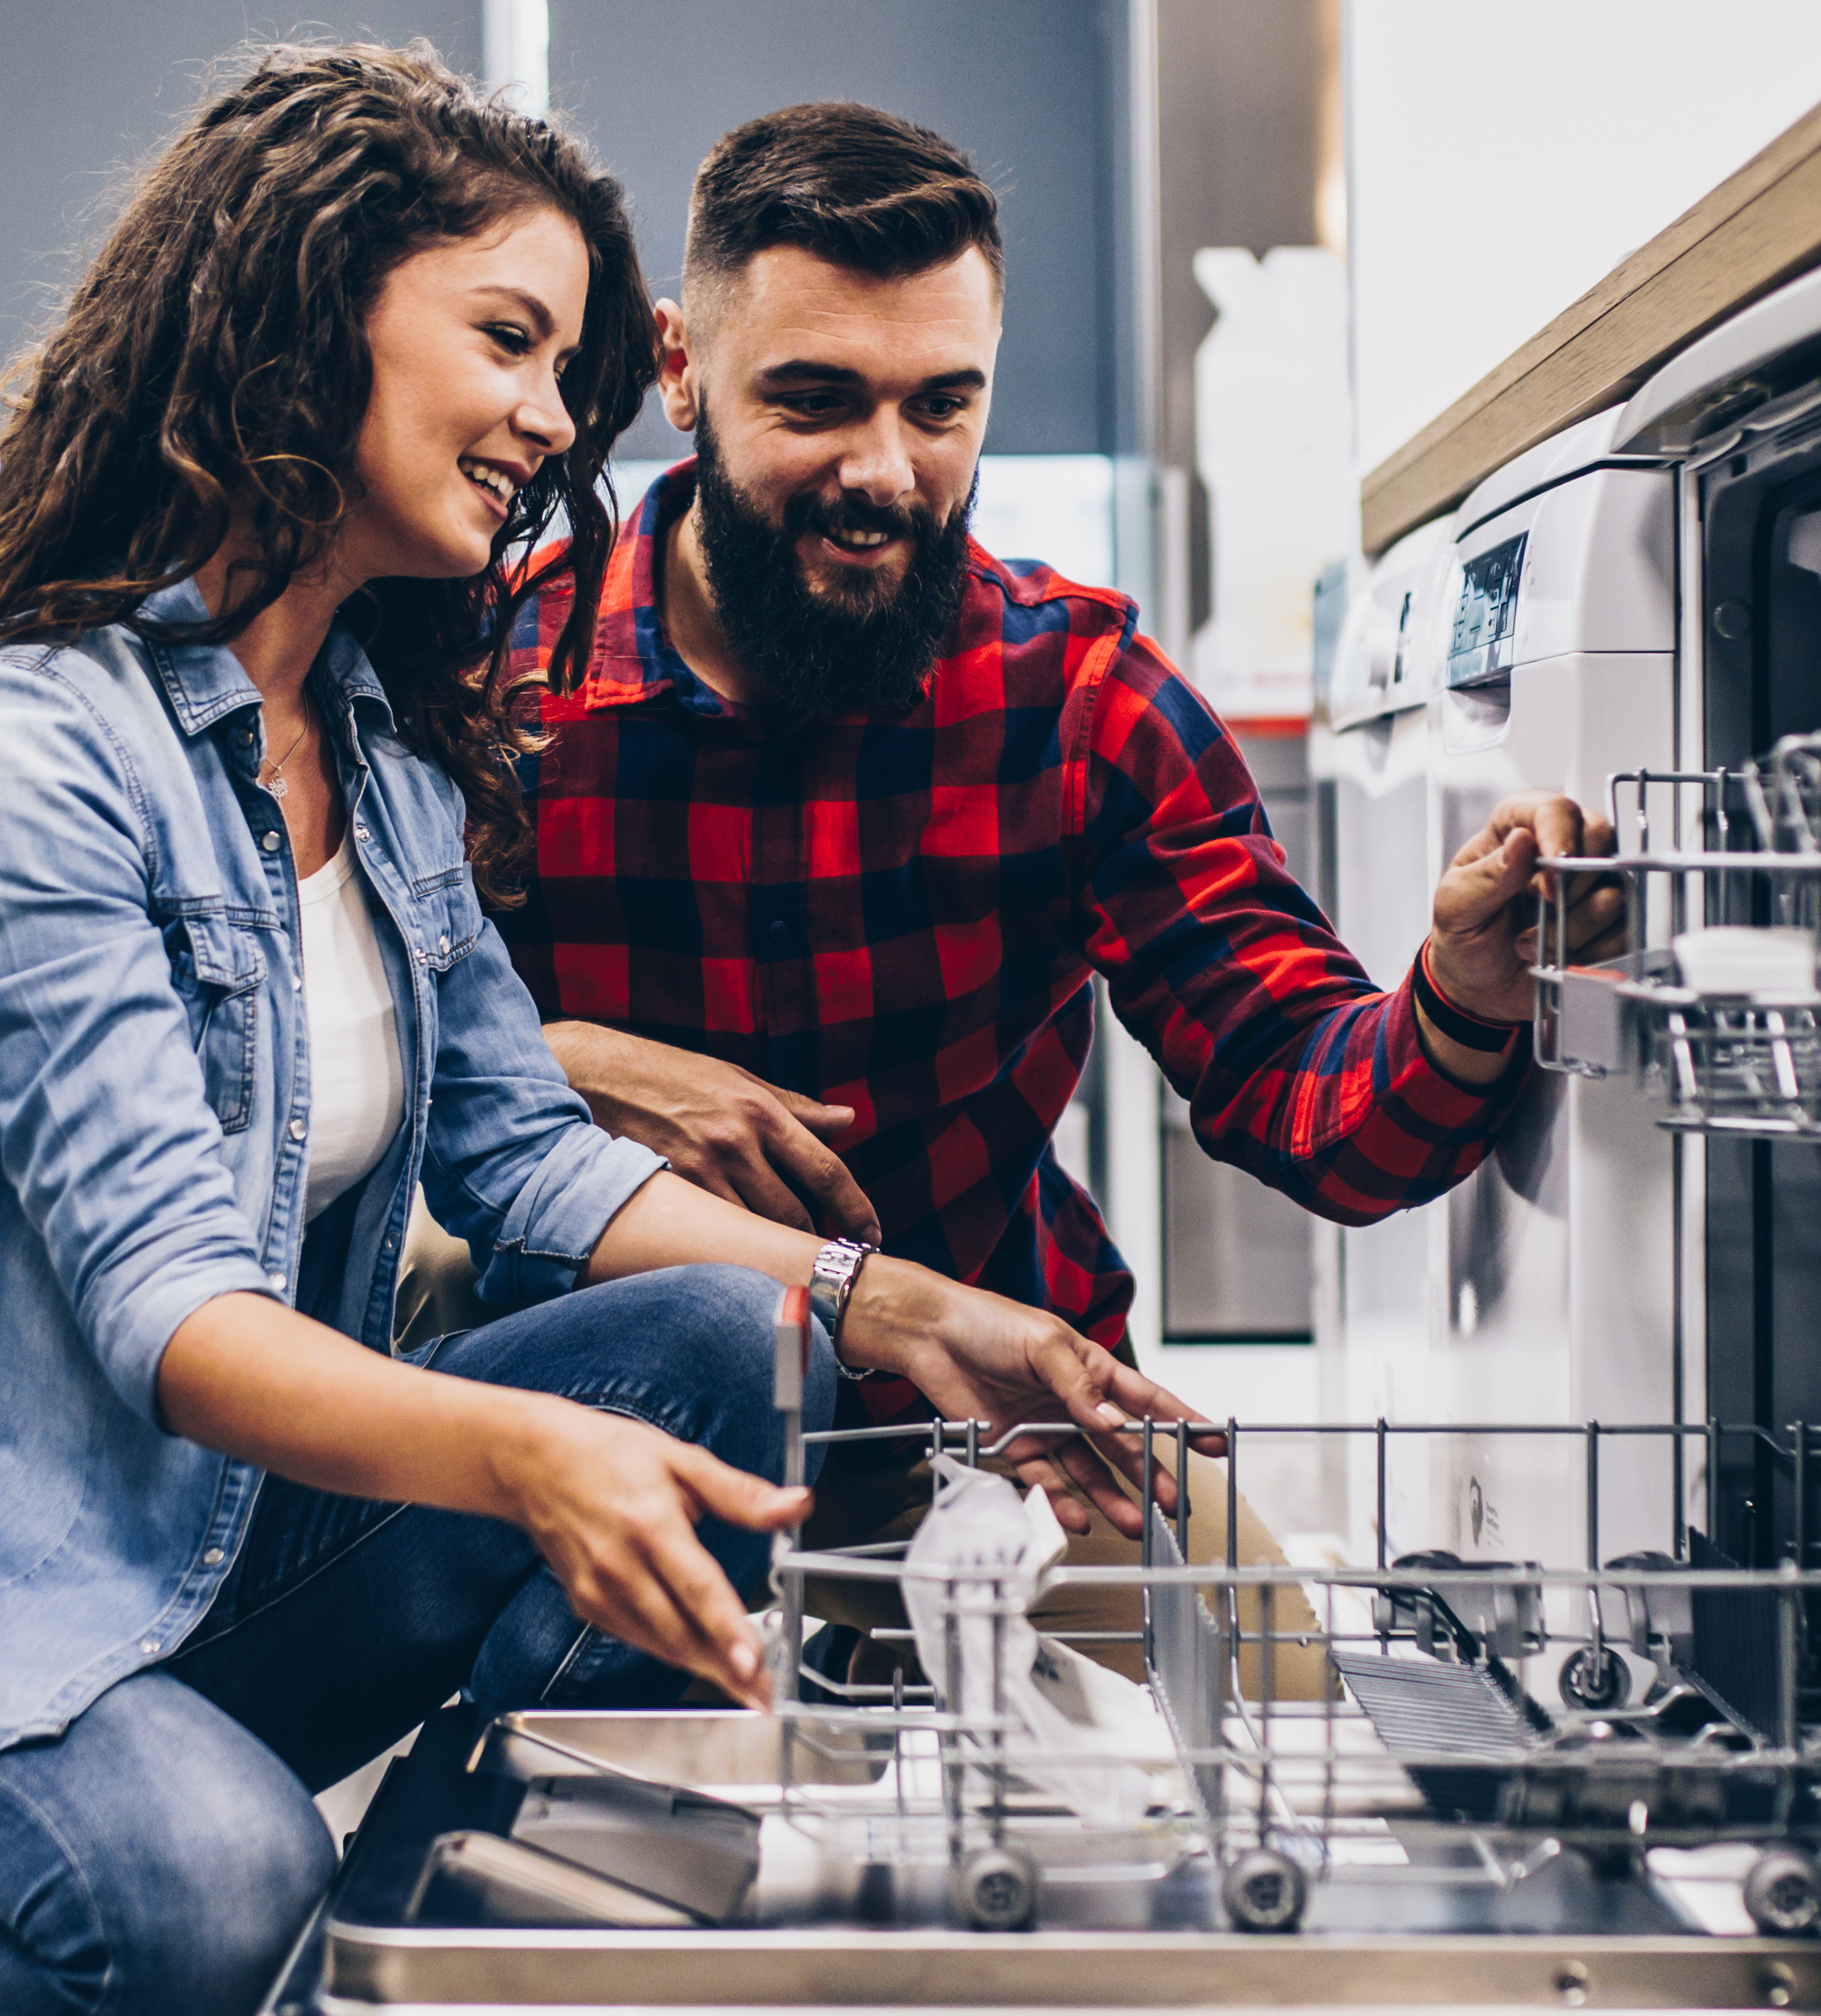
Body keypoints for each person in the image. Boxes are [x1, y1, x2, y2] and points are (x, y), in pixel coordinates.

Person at [0, 47, 1184, 2016]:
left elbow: (521, 1146)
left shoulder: (360, 734)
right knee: (197, 1907)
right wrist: (534, 1448)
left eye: (567, 367)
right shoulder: (21, 756)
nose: (557, 423)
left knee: (732, 1338)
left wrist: (907, 1311)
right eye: (506, 341)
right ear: (300, 314)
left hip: (190, 1576)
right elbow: (176, 1321)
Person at [493, 102, 1609, 1466]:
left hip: (1007, 1443)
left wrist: (1462, 1000)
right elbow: (328, 1083)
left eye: (941, 405)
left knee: (1250, 1661)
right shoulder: (493, 694)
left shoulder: (1079, 703)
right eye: (814, 399)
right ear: (680, 369)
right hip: (592, 1455)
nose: (884, 475)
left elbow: (1310, 1105)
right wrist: (554, 1068)